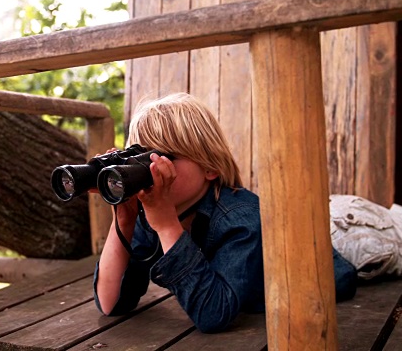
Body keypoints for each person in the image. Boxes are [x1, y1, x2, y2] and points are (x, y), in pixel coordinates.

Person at [93, 92, 357, 333]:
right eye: (140, 160)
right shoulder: (151, 214)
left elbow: (213, 315)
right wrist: (123, 221)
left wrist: (165, 225)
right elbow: (110, 303)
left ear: (210, 168)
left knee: (344, 245)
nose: (152, 171)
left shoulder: (242, 218)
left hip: (320, 273)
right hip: (249, 290)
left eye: (163, 158)